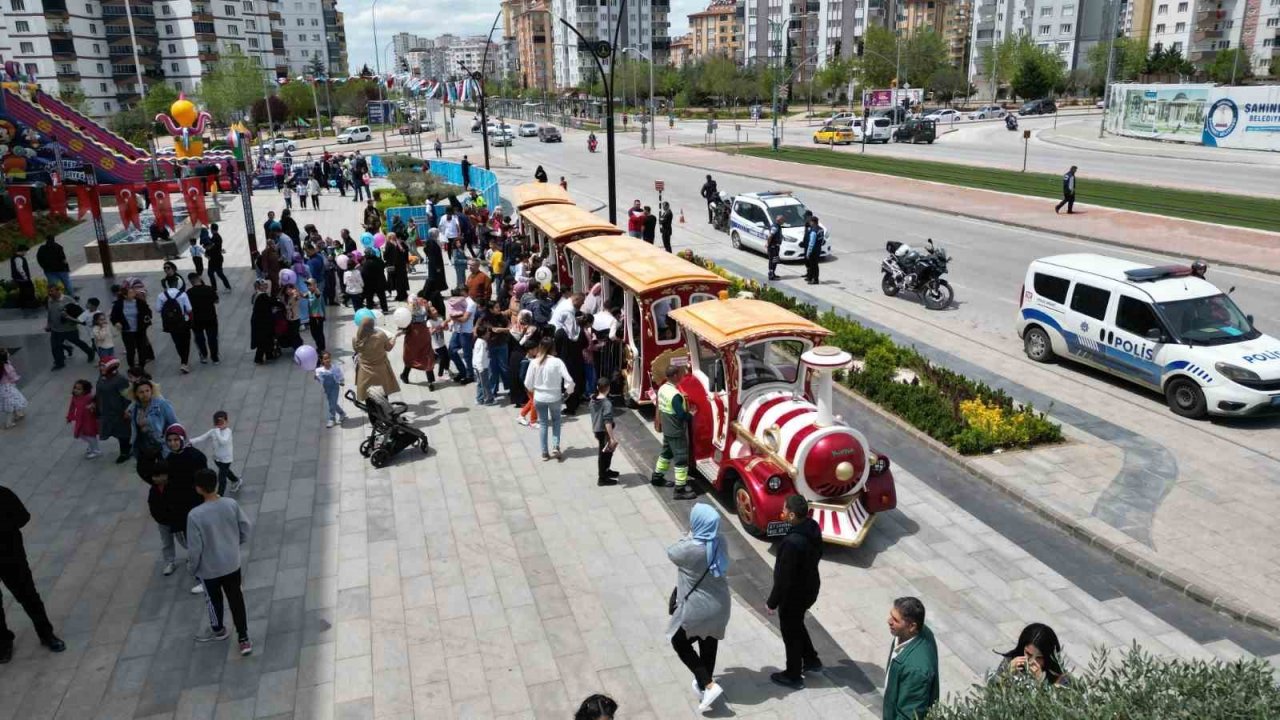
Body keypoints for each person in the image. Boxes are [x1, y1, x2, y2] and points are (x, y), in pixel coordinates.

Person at [668, 503, 731, 712]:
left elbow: (671, 551)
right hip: (721, 604)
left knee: (679, 642)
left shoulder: (688, 550)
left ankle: (709, 685)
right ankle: (705, 687)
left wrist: (689, 535)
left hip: (699, 609)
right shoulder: (720, 540)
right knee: (708, 641)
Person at [187, 468, 254, 656]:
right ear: (216, 483)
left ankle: (218, 630)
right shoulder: (230, 504)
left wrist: (193, 568)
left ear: (198, 489)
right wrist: (235, 543)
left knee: (213, 600)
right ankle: (243, 637)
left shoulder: (195, 515)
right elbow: (245, 527)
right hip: (232, 563)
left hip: (209, 569)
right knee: (236, 599)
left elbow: (195, 548)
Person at [0, 484, 66, 663]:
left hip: (10, 556)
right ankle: (3, 642)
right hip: (10, 552)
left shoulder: (3, 494)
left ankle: (46, 634)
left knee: (28, 595)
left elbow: (23, 518)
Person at [767, 494, 824, 690]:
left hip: (794, 594)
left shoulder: (792, 542)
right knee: (796, 623)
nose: (781, 511)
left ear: (791, 515)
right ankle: (811, 660)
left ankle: (793, 674)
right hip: (810, 587)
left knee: (790, 632)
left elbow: (784, 578)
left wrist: (772, 602)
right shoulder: (813, 527)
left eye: (784, 509)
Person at [883, 596, 940, 720]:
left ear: (912, 626)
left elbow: (909, 715)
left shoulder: (916, 671)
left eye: (895, 620)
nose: (889, 621)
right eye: (891, 616)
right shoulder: (907, 634)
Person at [525, 335, 573, 460]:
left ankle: (544, 452)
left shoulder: (534, 362)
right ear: (553, 348)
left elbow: (528, 383)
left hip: (539, 397)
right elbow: (569, 380)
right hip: (555, 397)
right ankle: (556, 446)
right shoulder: (558, 362)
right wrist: (568, 392)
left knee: (543, 424)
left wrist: (533, 390)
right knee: (556, 422)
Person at [653, 364, 696, 500]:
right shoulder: (676, 395)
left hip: (667, 428)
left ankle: (657, 477)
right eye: (681, 374)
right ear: (675, 376)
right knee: (681, 459)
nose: (682, 376)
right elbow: (682, 415)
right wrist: (692, 414)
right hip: (676, 431)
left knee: (666, 454)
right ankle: (680, 489)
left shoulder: (662, 388)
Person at [993, 623, 1068, 687]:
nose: (1032, 661)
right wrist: (1006, 674)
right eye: (1028, 654)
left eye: (1039, 657)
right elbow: (992, 691)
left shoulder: (1057, 675)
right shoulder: (1011, 661)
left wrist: (1041, 681)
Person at [352, 313, 400, 401]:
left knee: (368, 396)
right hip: (381, 370)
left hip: (364, 371)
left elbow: (356, 350)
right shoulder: (380, 336)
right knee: (383, 394)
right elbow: (388, 348)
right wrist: (394, 337)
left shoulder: (355, 339)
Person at [45, 283, 94, 369]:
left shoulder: (68, 300)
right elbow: (50, 313)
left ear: (58, 290)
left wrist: (72, 320)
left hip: (69, 329)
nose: (50, 293)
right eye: (49, 291)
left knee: (77, 342)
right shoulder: (49, 300)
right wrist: (48, 324)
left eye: (52, 291)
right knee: (55, 346)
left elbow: (79, 312)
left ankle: (90, 352)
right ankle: (59, 363)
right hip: (55, 329)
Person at [191, 411, 240, 495]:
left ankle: (220, 495)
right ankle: (235, 480)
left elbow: (223, 442)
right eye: (217, 422)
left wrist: (217, 432)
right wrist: (191, 441)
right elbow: (202, 437)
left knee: (222, 478)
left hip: (226, 459)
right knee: (226, 471)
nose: (219, 425)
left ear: (226, 422)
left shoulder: (228, 431)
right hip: (217, 458)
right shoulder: (213, 431)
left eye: (222, 422)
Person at [94, 359, 132, 462]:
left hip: (119, 412)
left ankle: (125, 452)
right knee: (113, 430)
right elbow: (98, 392)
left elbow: (127, 396)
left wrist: (127, 410)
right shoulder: (102, 377)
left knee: (122, 432)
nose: (101, 368)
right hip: (106, 410)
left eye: (103, 366)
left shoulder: (120, 380)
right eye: (100, 366)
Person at [111, 282, 154, 369]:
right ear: (125, 295)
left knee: (141, 349)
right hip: (127, 331)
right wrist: (116, 323)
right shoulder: (119, 304)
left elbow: (148, 312)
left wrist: (146, 319)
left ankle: (142, 366)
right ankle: (131, 367)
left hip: (140, 330)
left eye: (133, 292)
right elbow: (113, 317)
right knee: (130, 350)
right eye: (130, 293)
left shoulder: (139, 302)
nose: (133, 293)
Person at [156, 280, 194, 373]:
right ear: (178, 284)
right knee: (186, 341)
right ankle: (184, 362)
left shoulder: (161, 295)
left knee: (177, 342)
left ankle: (183, 360)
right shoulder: (183, 294)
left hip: (170, 323)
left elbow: (157, 309)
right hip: (183, 322)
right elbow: (189, 309)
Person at [400, 296, 437, 389]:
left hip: (413, 336)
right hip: (424, 334)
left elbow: (405, 326)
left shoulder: (408, 313)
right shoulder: (424, 308)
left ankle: (405, 375)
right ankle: (430, 382)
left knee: (410, 356)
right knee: (427, 355)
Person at [588, 378, 619, 485]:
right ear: (608, 388)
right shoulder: (607, 404)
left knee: (608, 451)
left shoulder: (592, 399)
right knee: (604, 454)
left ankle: (606, 470)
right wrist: (611, 438)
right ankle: (602, 478)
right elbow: (607, 422)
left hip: (597, 429)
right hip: (603, 431)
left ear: (597, 387)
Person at [185, 273, 220, 365]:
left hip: (196, 320)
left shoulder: (189, 292)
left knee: (199, 338)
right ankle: (215, 358)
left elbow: (187, 307)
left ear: (190, 281)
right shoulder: (209, 289)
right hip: (211, 318)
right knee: (212, 338)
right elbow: (216, 301)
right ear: (199, 278)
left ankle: (204, 356)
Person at [66, 379, 101, 459]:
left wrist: (92, 406)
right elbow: (72, 407)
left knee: (90, 435)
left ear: (85, 390)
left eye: (79, 389)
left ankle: (96, 450)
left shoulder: (89, 397)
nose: (76, 390)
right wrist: (69, 417)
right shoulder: (75, 397)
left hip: (89, 419)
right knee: (81, 434)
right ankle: (91, 446)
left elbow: (97, 403)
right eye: (75, 388)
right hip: (80, 418)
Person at [314, 351, 348, 427]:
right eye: (325, 359)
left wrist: (342, 381)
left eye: (328, 358)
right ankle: (342, 413)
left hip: (335, 387)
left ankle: (332, 419)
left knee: (331, 403)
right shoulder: (319, 370)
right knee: (333, 402)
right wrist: (316, 378)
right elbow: (319, 379)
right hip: (326, 388)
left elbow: (340, 375)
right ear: (322, 360)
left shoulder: (335, 368)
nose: (327, 360)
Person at [8, 246, 37, 312]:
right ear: (22, 251)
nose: (26, 253)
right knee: (29, 291)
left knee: (23, 292)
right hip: (23, 279)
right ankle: (30, 305)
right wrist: (25, 277)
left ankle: (23, 305)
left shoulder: (14, 257)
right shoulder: (18, 258)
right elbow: (19, 268)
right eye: (26, 251)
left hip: (19, 278)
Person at [360, 249, 389, 314]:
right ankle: (385, 309)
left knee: (369, 298)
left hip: (370, 284)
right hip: (380, 282)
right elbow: (383, 266)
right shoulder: (379, 260)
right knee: (382, 297)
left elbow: (363, 274)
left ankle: (370, 310)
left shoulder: (366, 263)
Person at [802, 216, 824, 285]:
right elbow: (822, 240)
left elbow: (811, 243)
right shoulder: (821, 229)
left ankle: (814, 280)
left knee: (812, 265)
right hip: (818, 250)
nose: (810, 223)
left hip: (813, 251)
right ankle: (812, 278)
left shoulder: (813, 231)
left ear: (813, 222)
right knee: (815, 265)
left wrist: (808, 253)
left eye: (810, 222)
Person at [767, 215, 784, 281]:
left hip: (776, 246)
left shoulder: (778, 226)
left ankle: (773, 273)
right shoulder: (775, 227)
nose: (783, 221)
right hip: (773, 247)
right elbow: (770, 236)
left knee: (775, 260)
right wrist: (768, 244)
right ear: (779, 220)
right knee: (772, 261)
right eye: (783, 220)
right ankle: (771, 275)